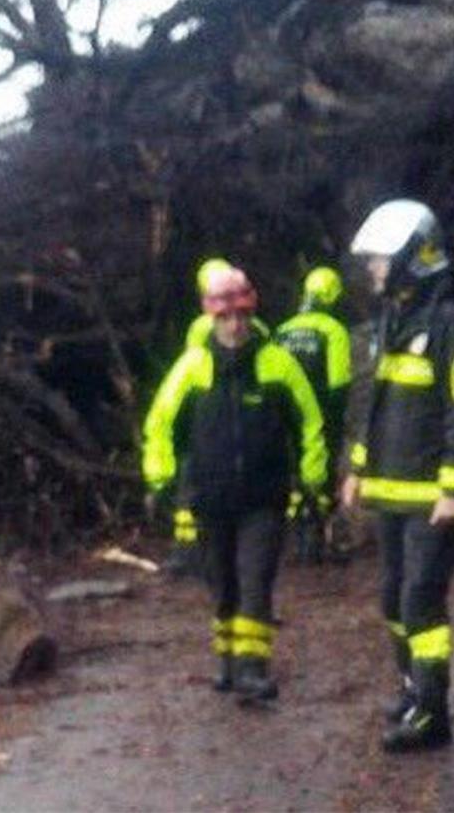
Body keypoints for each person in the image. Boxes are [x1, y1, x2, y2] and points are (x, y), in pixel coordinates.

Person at [143, 267, 328, 701]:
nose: (235, 325)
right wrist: (162, 477)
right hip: (210, 495)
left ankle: (252, 668)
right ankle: (227, 661)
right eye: (226, 317)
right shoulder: (193, 366)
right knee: (222, 581)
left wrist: (313, 479)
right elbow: (160, 423)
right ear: (211, 317)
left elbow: (310, 420)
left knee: (254, 580)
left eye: (242, 316)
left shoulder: (276, 362)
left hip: (264, 496)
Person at [340, 199, 454, 752]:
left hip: (431, 498)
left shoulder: (450, 327)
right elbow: (368, 404)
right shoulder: (390, 322)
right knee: (392, 600)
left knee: (422, 601)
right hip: (390, 492)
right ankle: (410, 687)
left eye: (381, 259)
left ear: (411, 257)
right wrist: (356, 469)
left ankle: (432, 712)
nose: (375, 269)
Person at [162, 258, 270, 578]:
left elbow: (194, 373)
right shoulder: (260, 327)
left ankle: (188, 553)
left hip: (208, 418)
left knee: (192, 488)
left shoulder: (201, 326)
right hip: (249, 420)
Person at [276, 266, 352, 564]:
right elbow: (338, 384)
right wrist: (336, 421)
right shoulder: (333, 330)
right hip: (320, 418)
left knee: (292, 476)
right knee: (321, 478)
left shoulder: (283, 330)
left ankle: (295, 540)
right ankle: (317, 541)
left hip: (284, 418)